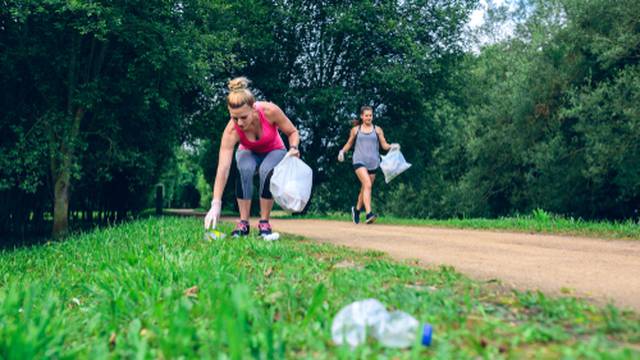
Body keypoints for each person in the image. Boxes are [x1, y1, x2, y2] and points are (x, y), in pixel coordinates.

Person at [204, 77, 300, 237]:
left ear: (253, 109)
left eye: (243, 117)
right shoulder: (231, 131)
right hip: (248, 151)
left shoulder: (270, 111)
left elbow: (293, 132)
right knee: (245, 168)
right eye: (234, 118)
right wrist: (216, 203)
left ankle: (264, 223)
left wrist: (294, 148)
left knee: (266, 170)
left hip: (275, 149)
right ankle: (243, 224)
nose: (239, 123)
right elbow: (223, 168)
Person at [337, 106, 399, 224]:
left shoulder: (378, 130)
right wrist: (342, 152)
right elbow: (349, 143)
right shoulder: (356, 130)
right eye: (366, 115)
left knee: (365, 187)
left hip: (373, 162)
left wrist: (393, 146)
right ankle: (369, 214)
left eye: (370, 115)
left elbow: (384, 145)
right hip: (359, 161)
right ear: (362, 116)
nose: (368, 117)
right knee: (367, 184)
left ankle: (356, 210)